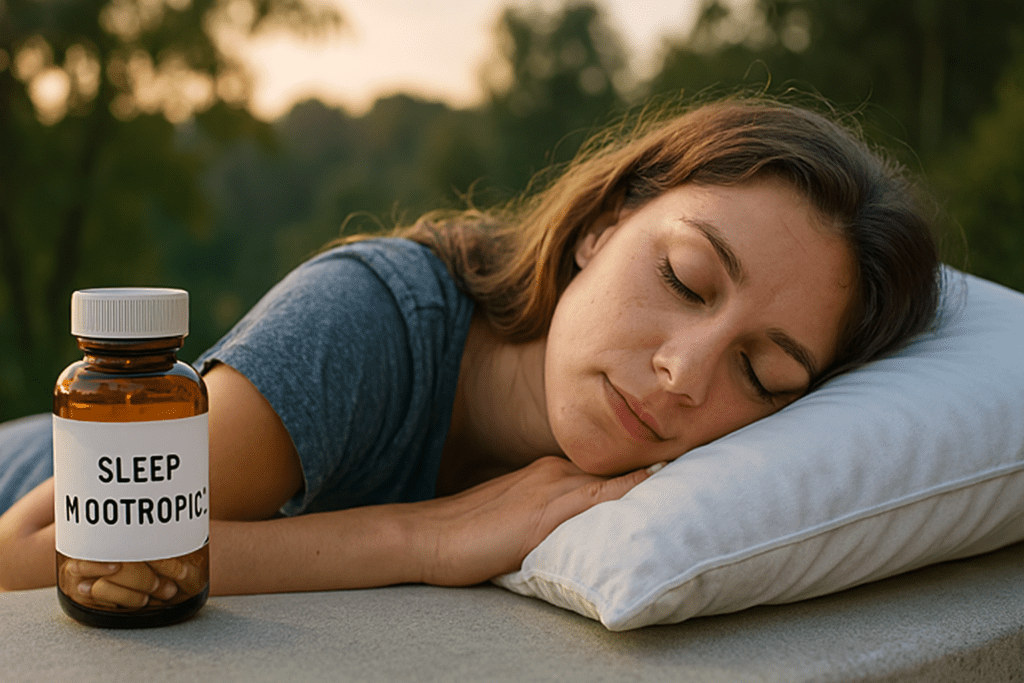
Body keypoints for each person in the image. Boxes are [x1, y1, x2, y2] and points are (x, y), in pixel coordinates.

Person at [0, 95, 941, 605]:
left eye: (761, 373)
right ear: (602, 226)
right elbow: (41, 552)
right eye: (687, 278)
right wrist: (426, 535)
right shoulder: (371, 322)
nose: (685, 373)